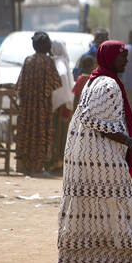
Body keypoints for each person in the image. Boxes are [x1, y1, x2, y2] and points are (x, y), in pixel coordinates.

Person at [53, 40, 132, 263]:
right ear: (109, 58)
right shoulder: (107, 84)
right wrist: (131, 143)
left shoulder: (98, 80)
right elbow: (95, 120)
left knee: (89, 211)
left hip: (87, 156)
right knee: (121, 206)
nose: (126, 60)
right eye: (122, 56)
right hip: (98, 157)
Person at [15, 32, 63, 177]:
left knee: (28, 134)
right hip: (42, 107)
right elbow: (56, 83)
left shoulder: (28, 60)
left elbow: (20, 85)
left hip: (27, 107)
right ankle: (38, 167)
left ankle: (27, 166)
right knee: (41, 134)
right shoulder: (48, 62)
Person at [48, 40, 75, 174]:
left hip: (59, 104)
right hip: (62, 104)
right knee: (59, 133)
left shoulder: (57, 61)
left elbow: (63, 77)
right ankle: (56, 162)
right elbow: (64, 78)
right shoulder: (60, 62)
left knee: (59, 133)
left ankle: (56, 162)